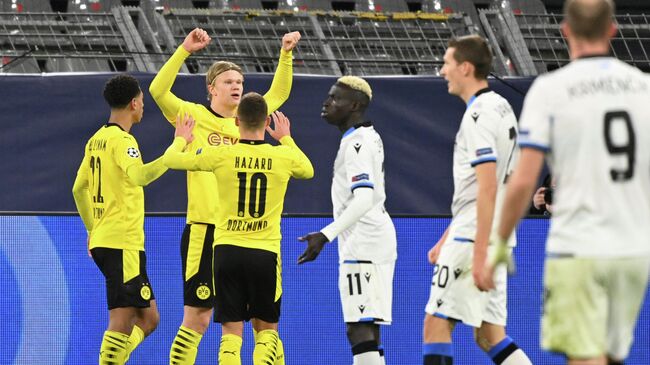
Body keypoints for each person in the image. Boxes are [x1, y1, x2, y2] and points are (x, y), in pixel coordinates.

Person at [493, 1, 650, 364]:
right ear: (613, 30)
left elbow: (523, 179)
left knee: (583, 355)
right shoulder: (642, 88)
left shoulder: (552, 90)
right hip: (630, 245)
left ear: (564, 30)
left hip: (580, 242)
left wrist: (498, 241)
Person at [149, 27, 300, 365]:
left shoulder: (249, 118)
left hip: (248, 236)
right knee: (198, 319)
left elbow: (279, 92)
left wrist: (286, 54)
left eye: (240, 83)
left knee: (265, 323)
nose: (237, 87)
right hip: (206, 230)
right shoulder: (194, 116)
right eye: (229, 81)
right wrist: (184, 50)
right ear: (211, 89)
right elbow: (158, 90)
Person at [163, 93, 313, 365]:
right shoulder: (282, 157)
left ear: (236, 120)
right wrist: (285, 137)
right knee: (267, 331)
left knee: (231, 333)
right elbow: (308, 169)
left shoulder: (222, 154)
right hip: (264, 252)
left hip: (226, 251)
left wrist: (181, 140)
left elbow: (172, 160)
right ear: (266, 120)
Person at [421, 35, 532, 365]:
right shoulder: (501, 106)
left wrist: (479, 251)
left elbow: (487, 187)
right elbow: (480, 189)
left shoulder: (478, 115)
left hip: (475, 237)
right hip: (493, 233)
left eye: (447, 63)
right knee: (490, 335)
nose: (442, 71)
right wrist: (446, 237)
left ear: (465, 68)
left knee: (435, 325)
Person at [298, 76, 397, 365]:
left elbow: (364, 199)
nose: (327, 102)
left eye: (335, 98)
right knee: (366, 328)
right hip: (367, 241)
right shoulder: (364, 136)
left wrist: (325, 235)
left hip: (365, 243)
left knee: (359, 328)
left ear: (355, 105)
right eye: (328, 96)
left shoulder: (357, 143)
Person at [71, 74, 167, 365]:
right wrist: (174, 152)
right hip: (122, 241)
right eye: (142, 102)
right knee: (122, 319)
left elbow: (78, 189)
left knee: (149, 318)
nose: (143, 107)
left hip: (108, 239)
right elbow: (139, 176)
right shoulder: (123, 141)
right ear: (134, 103)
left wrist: (92, 229)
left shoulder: (96, 140)